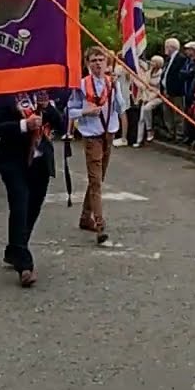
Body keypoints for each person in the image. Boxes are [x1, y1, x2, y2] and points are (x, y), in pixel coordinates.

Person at [0, 89, 63, 287]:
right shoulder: (6, 96)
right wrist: (24, 125)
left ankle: (14, 250)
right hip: (14, 162)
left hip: (40, 163)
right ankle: (25, 266)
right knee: (20, 206)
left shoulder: (44, 96)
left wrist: (48, 107)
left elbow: (61, 125)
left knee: (32, 209)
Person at [67, 46, 128, 246]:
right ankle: (99, 224)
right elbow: (70, 111)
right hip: (91, 135)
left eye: (101, 60)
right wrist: (85, 111)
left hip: (108, 133)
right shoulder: (82, 85)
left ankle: (85, 217)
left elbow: (120, 108)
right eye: (93, 60)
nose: (98, 63)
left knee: (98, 178)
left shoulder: (112, 83)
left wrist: (116, 89)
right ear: (87, 64)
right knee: (95, 180)